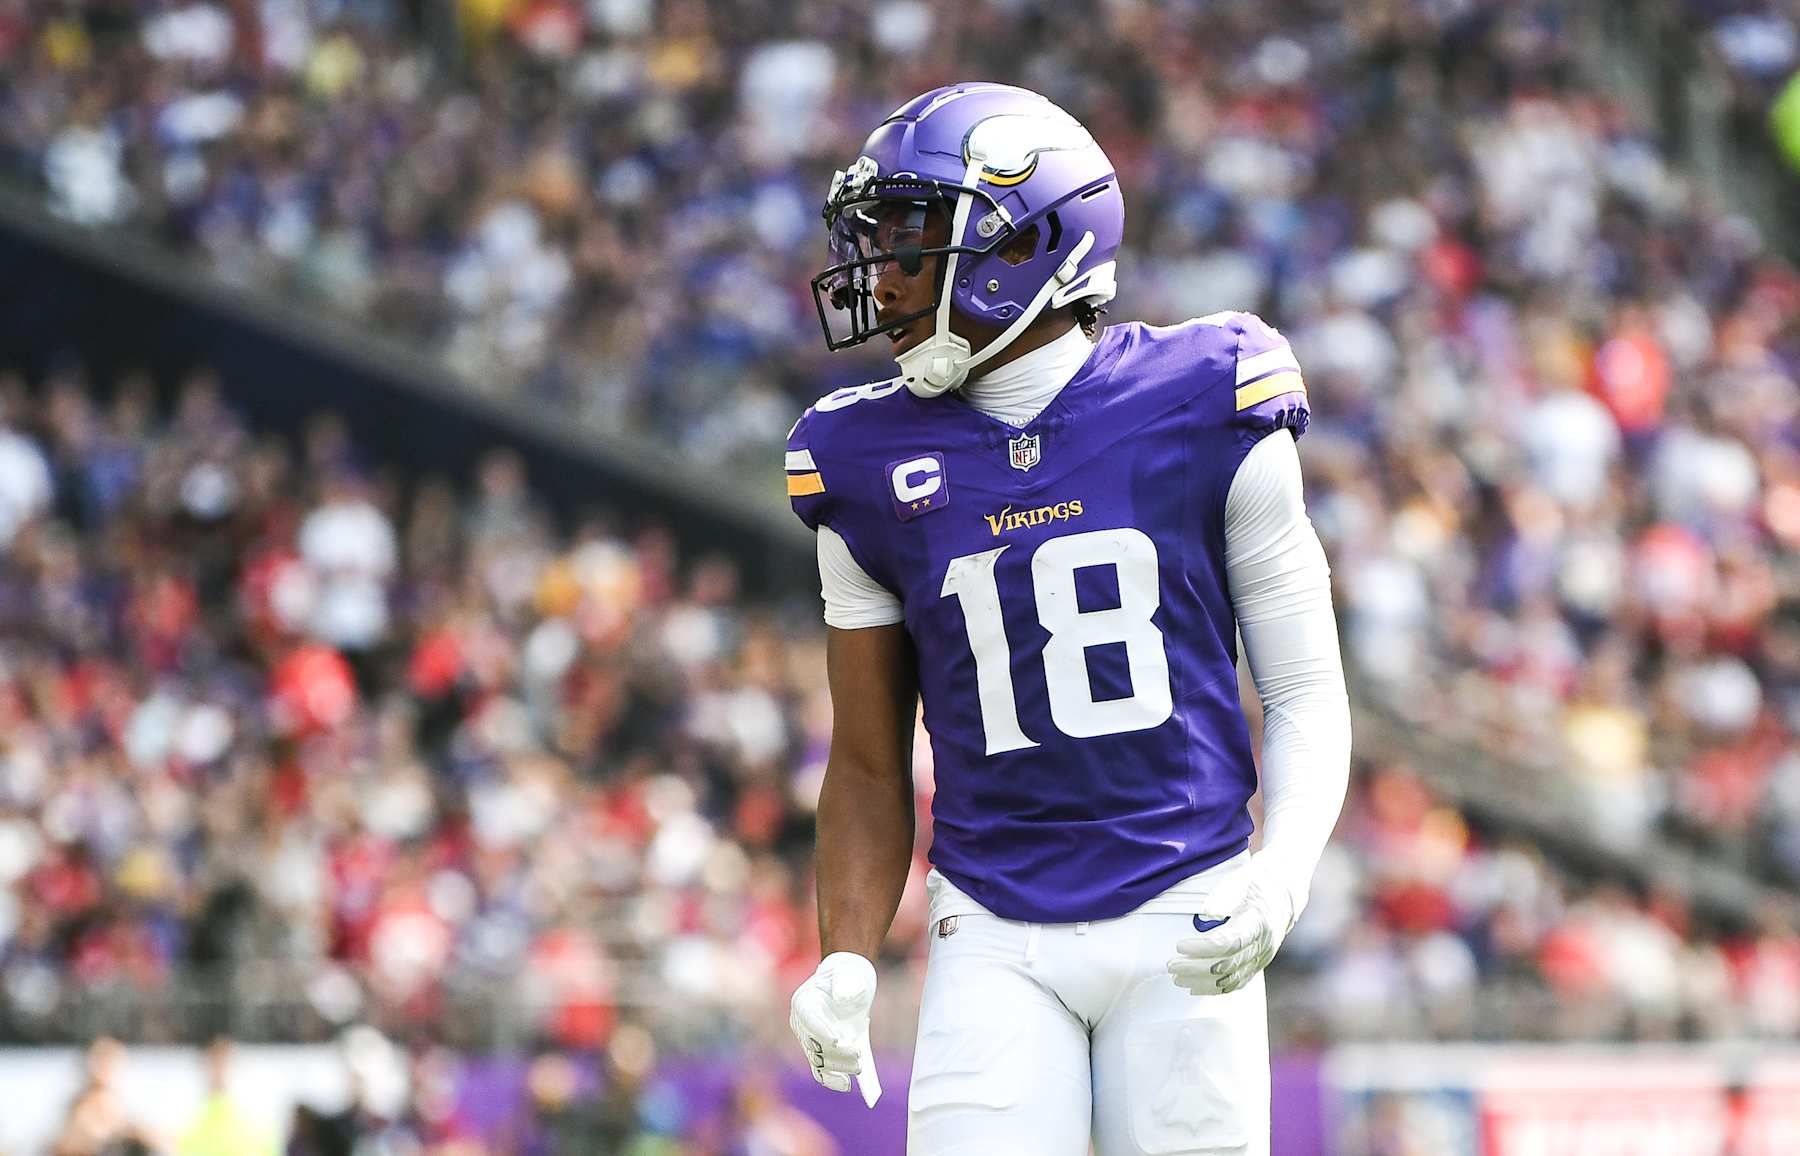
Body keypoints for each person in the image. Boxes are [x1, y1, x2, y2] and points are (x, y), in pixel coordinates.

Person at [783, 82, 1352, 1155]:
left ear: (1025, 244)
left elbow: (1305, 687)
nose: (882, 275)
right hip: (990, 920)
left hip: (1184, 894)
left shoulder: (1209, 393)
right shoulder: (857, 458)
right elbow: (865, 762)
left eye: (911, 241)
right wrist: (847, 953)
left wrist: (1279, 878)